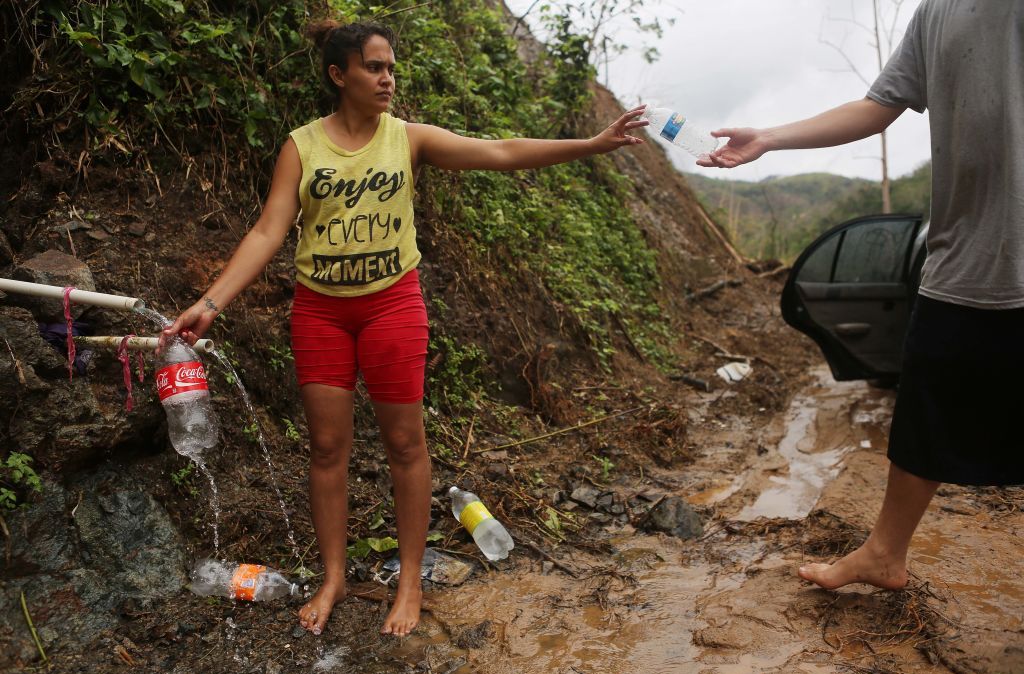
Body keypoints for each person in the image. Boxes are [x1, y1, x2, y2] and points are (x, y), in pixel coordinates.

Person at [161, 19, 648, 637]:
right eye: (374, 67)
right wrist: (212, 301)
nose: (387, 78)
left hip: (393, 307)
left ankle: (410, 581)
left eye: (391, 67)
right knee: (328, 449)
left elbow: (498, 152)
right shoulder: (302, 147)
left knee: (405, 446)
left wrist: (593, 143)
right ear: (339, 75)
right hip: (322, 313)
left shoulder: (408, 139)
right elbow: (268, 230)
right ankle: (334, 577)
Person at [700, 0, 1024, 591]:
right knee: (923, 410)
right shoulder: (937, 11)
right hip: (966, 259)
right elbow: (878, 106)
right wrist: (770, 137)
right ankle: (883, 554)